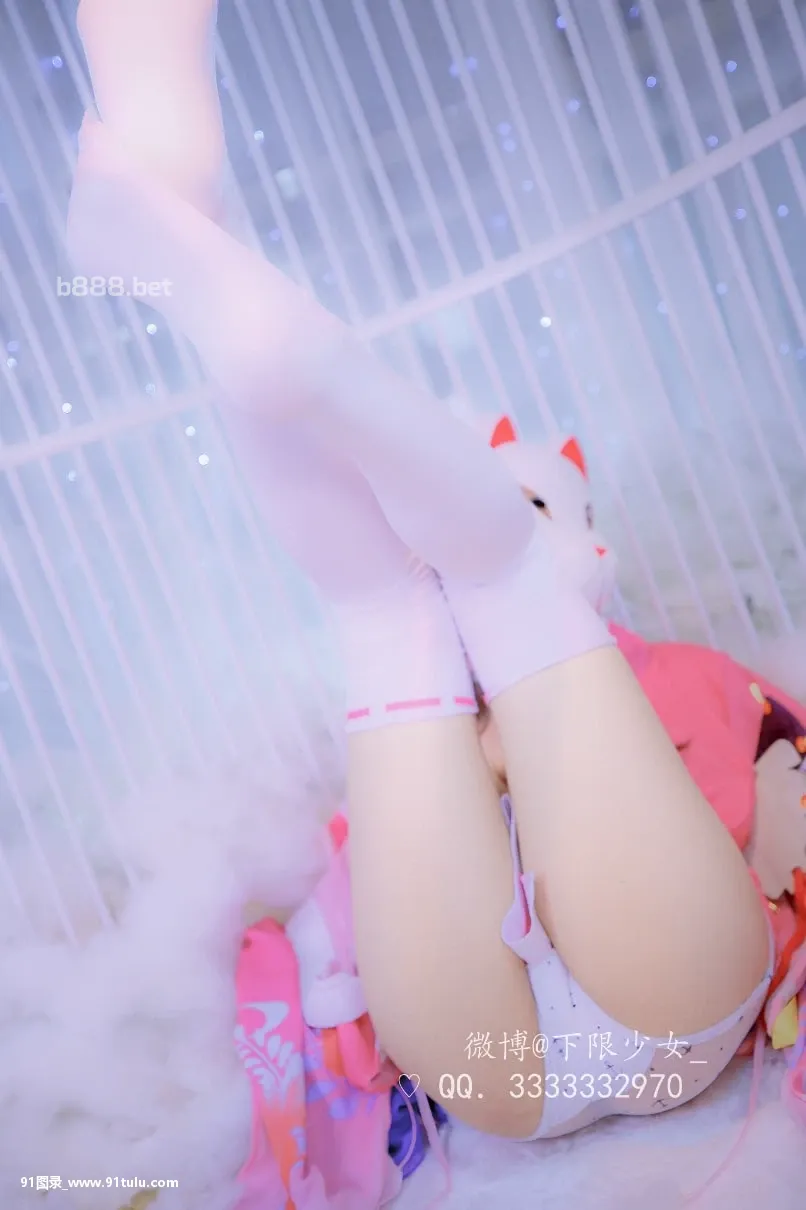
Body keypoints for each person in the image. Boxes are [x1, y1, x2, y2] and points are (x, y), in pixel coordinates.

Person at [68, 0, 771, 1143]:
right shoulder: (500, 671)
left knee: (413, 595)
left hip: (583, 1028)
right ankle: (212, 249)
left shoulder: (667, 672)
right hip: (512, 1064)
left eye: (537, 497)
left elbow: (759, 781)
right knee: (400, 598)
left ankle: (207, 241)